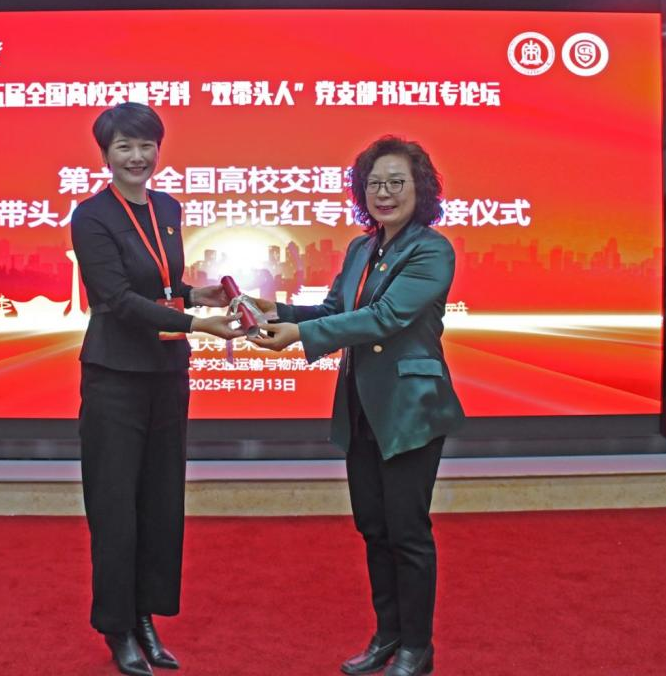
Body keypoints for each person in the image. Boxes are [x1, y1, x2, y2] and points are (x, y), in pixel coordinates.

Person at [250, 136, 464, 676]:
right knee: (373, 527)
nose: (384, 193)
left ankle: (417, 648)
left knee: (407, 532)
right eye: (374, 183)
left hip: (410, 409)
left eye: (396, 182)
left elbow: (386, 317)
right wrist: (275, 310)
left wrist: (300, 336)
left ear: (420, 188)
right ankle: (387, 636)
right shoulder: (360, 249)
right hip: (360, 406)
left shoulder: (432, 250)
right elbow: (332, 309)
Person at [71, 102, 242, 676]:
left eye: (146, 145)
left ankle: (146, 616)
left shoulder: (167, 207)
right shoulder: (91, 216)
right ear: (105, 154)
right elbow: (117, 298)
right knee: (115, 505)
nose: (137, 156)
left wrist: (197, 295)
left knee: (161, 500)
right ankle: (117, 627)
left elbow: (159, 282)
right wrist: (197, 322)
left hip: (168, 372)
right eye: (124, 146)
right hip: (115, 377)